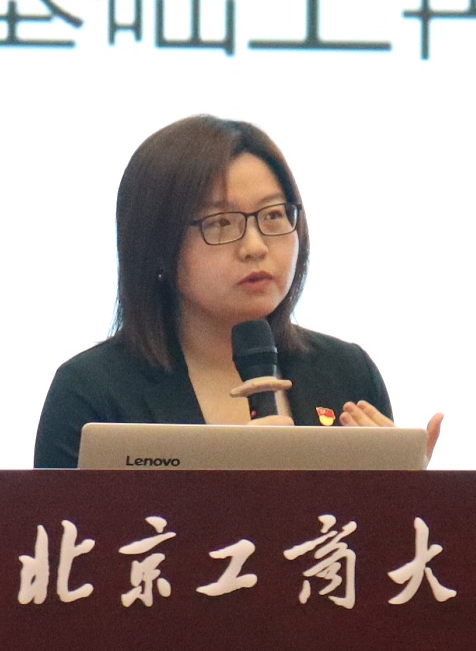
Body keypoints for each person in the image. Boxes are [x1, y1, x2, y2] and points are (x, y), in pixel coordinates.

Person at [34, 114, 440, 469]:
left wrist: (402, 493)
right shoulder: (92, 392)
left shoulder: (346, 371)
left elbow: (373, 534)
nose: (255, 246)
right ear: (157, 245)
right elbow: (64, 534)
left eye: (274, 215)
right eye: (221, 223)